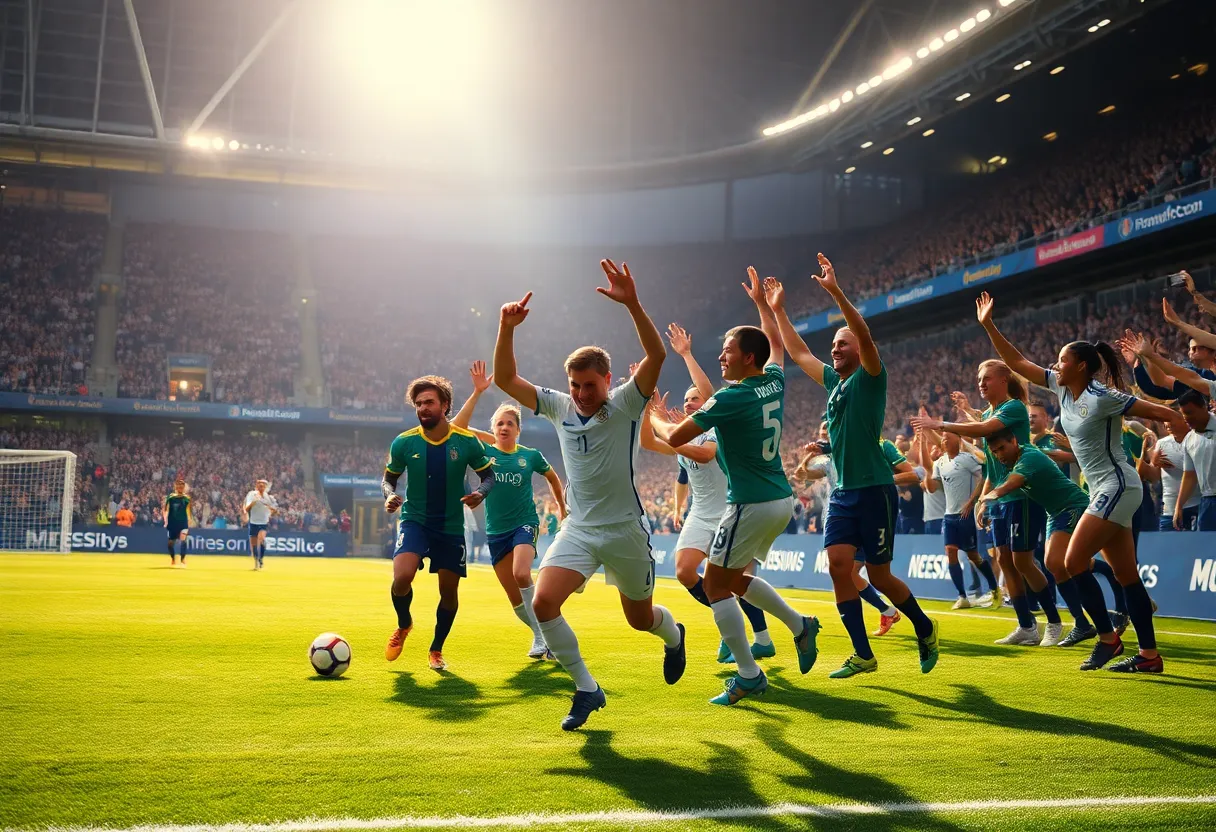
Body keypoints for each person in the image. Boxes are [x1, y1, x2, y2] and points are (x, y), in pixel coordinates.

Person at [492, 260, 686, 731]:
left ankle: (673, 634)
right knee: (541, 602)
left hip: (624, 532)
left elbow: (657, 357)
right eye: (575, 385)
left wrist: (634, 304)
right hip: (579, 529)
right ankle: (586, 688)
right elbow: (504, 380)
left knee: (640, 621)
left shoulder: (624, 404)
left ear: (608, 380)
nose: (580, 393)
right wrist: (506, 327)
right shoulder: (558, 405)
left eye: (589, 385)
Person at [971, 293, 1181, 673]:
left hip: (1117, 485)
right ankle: (1149, 656)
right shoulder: (1063, 388)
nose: (1056, 363)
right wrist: (989, 326)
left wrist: (1176, 419)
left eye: (1063, 358)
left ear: (1081, 366)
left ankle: (1107, 639)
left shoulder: (1103, 397)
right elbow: (1018, 362)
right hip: (1105, 489)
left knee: (1070, 562)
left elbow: (1153, 409)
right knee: (1125, 574)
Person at [651, 268, 821, 705]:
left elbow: (673, 439)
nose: (721, 358)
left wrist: (646, 411)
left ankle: (748, 674)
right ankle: (800, 626)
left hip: (750, 502)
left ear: (747, 358)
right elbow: (776, 345)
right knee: (737, 580)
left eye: (727, 352)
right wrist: (764, 307)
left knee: (714, 587)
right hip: (780, 499)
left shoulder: (728, 399)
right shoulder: (773, 382)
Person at [768, 254, 940, 680]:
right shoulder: (834, 382)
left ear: (859, 350)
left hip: (876, 491)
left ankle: (924, 626)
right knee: (838, 566)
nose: (835, 349)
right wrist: (777, 311)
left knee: (879, 576)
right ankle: (862, 653)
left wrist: (835, 292)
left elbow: (863, 331)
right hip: (844, 494)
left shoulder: (871, 376)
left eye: (842, 344)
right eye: (834, 346)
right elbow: (799, 352)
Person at [640, 323, 775, 665]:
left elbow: (705, 454)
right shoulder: (690, 434)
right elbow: (649, 443)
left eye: (694, 399)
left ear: (707, 402)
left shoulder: (717, 422)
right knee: (685, 571)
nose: (688, 403)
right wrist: (645, 410)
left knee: (738, 581)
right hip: (701, 513)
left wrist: (685, 354)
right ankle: (732, 625)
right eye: (685, 400)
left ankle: (757, 638)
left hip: (730, 509)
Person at [911, 356, 1064, 647]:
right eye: (979, 379)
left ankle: (1054, 622)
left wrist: (941, 423)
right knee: (1004, 560)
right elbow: (992, 467)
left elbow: (983, 430)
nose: (981, 383)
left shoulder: (1013, 408)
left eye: (987, 378)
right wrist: (983, 500)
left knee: (1022, 560)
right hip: (998, 499)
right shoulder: (987, 413)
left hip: (1021, 493)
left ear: (1004, 381)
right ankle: (1026, 627)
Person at [452, 361, 567, 660]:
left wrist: (562, 508)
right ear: (493, 428)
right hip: (496, 530)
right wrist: (477, 392)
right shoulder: (485, 451)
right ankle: (545, 636)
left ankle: (543, 637)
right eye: (499, 424)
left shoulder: (530, 456)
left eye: (510, 424)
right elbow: (456, 428)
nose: (504, 427)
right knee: (515, 599)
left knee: (521, 573)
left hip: (524, 524)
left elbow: (553, 477)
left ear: (518, 429)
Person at [382, 375, 496, 672]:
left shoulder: (466, 441)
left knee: (448, 592)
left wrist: (480, 494)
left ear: (445, 405)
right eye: (418, 403)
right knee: (402, 576)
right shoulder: (404, 442)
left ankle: (436, 649)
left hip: (450, 526)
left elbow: (488, 476)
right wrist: (390, 495)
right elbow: (388, 478)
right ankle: (404, 624)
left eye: (429, 402)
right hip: (415, 521)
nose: (423, 408)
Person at [981, 430, 1098, 647]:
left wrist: (987, 498)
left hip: (1073, 505)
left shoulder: (1028, 457)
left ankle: (1076, 623)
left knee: (1054, 562)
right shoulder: (1015, 460)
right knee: (1060, 564)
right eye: (994, 451)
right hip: (1053, 513)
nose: (999, 455)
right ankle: (1082, 623)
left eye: (1002, 448)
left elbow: (1009, 485)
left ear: (1014, 440)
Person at [792, 425, 911, 636]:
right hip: (840, 519)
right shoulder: (830, 460)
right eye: (822, 429)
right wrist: (810, 454)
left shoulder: (880, 446)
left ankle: (907, 618)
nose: (825, 432)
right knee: (848, 573)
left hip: (869, 514)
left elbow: (913, 475)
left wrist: (881, 480)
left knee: (870, 575)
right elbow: (800, 475)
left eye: (829, 427)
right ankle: (889, 612)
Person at [922, 429, 999, 609]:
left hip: (965, 515)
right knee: (950, 551)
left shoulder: (967, 459)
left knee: (973, 555)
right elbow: (932, 485)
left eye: (949, 438)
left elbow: (985, 478)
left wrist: (971, 502)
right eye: (944, 439)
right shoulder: (940, 463)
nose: (945, 441)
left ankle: (995, 588)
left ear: (959, 440)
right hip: (948, 516)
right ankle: (962, 596)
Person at [243, 479, 278, 571]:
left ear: (265, 487)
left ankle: (261, 559)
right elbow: (246, 509)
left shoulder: (270, 498)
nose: (260, 487)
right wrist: (254, 502)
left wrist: (272, 509)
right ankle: (256, 563)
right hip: (253, 522)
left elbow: (275, 512)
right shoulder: (251, 494)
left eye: (262, 486)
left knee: (261, 539)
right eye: (259, 485)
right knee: (254, 545)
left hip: (263, 523)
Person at [163, 479, 192, 567]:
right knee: (170, 543)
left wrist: (189, 520)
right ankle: (173, 559)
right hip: (172, 522)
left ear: (184, 487)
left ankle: (183, 559)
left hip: (183, 522)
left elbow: (188, 510)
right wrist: (166, 520)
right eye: (178, 485)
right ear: (175, 486)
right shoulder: (171, 497)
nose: (180, 487)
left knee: (183, 539)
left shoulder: (187, 498)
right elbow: (166, 510)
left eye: (182, 485)